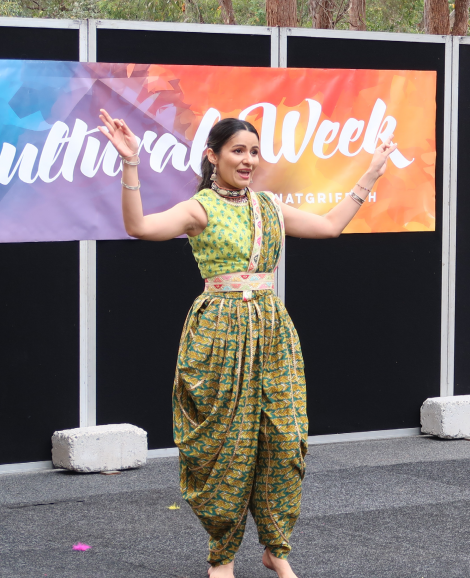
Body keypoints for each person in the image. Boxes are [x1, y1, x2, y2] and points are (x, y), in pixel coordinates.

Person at [98, 108, 397, 578]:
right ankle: (223, 556)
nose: (248, 160)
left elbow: (329, 226)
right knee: (226, 447)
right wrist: (131, 162)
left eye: (254, 152)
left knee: (283, 440)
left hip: (272, 332)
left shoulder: (270, 207)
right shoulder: (200, 208)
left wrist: (372, 171)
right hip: (219, 335)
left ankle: (276, 548)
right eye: (238, 150)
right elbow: (139, 227)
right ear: (213, 156)